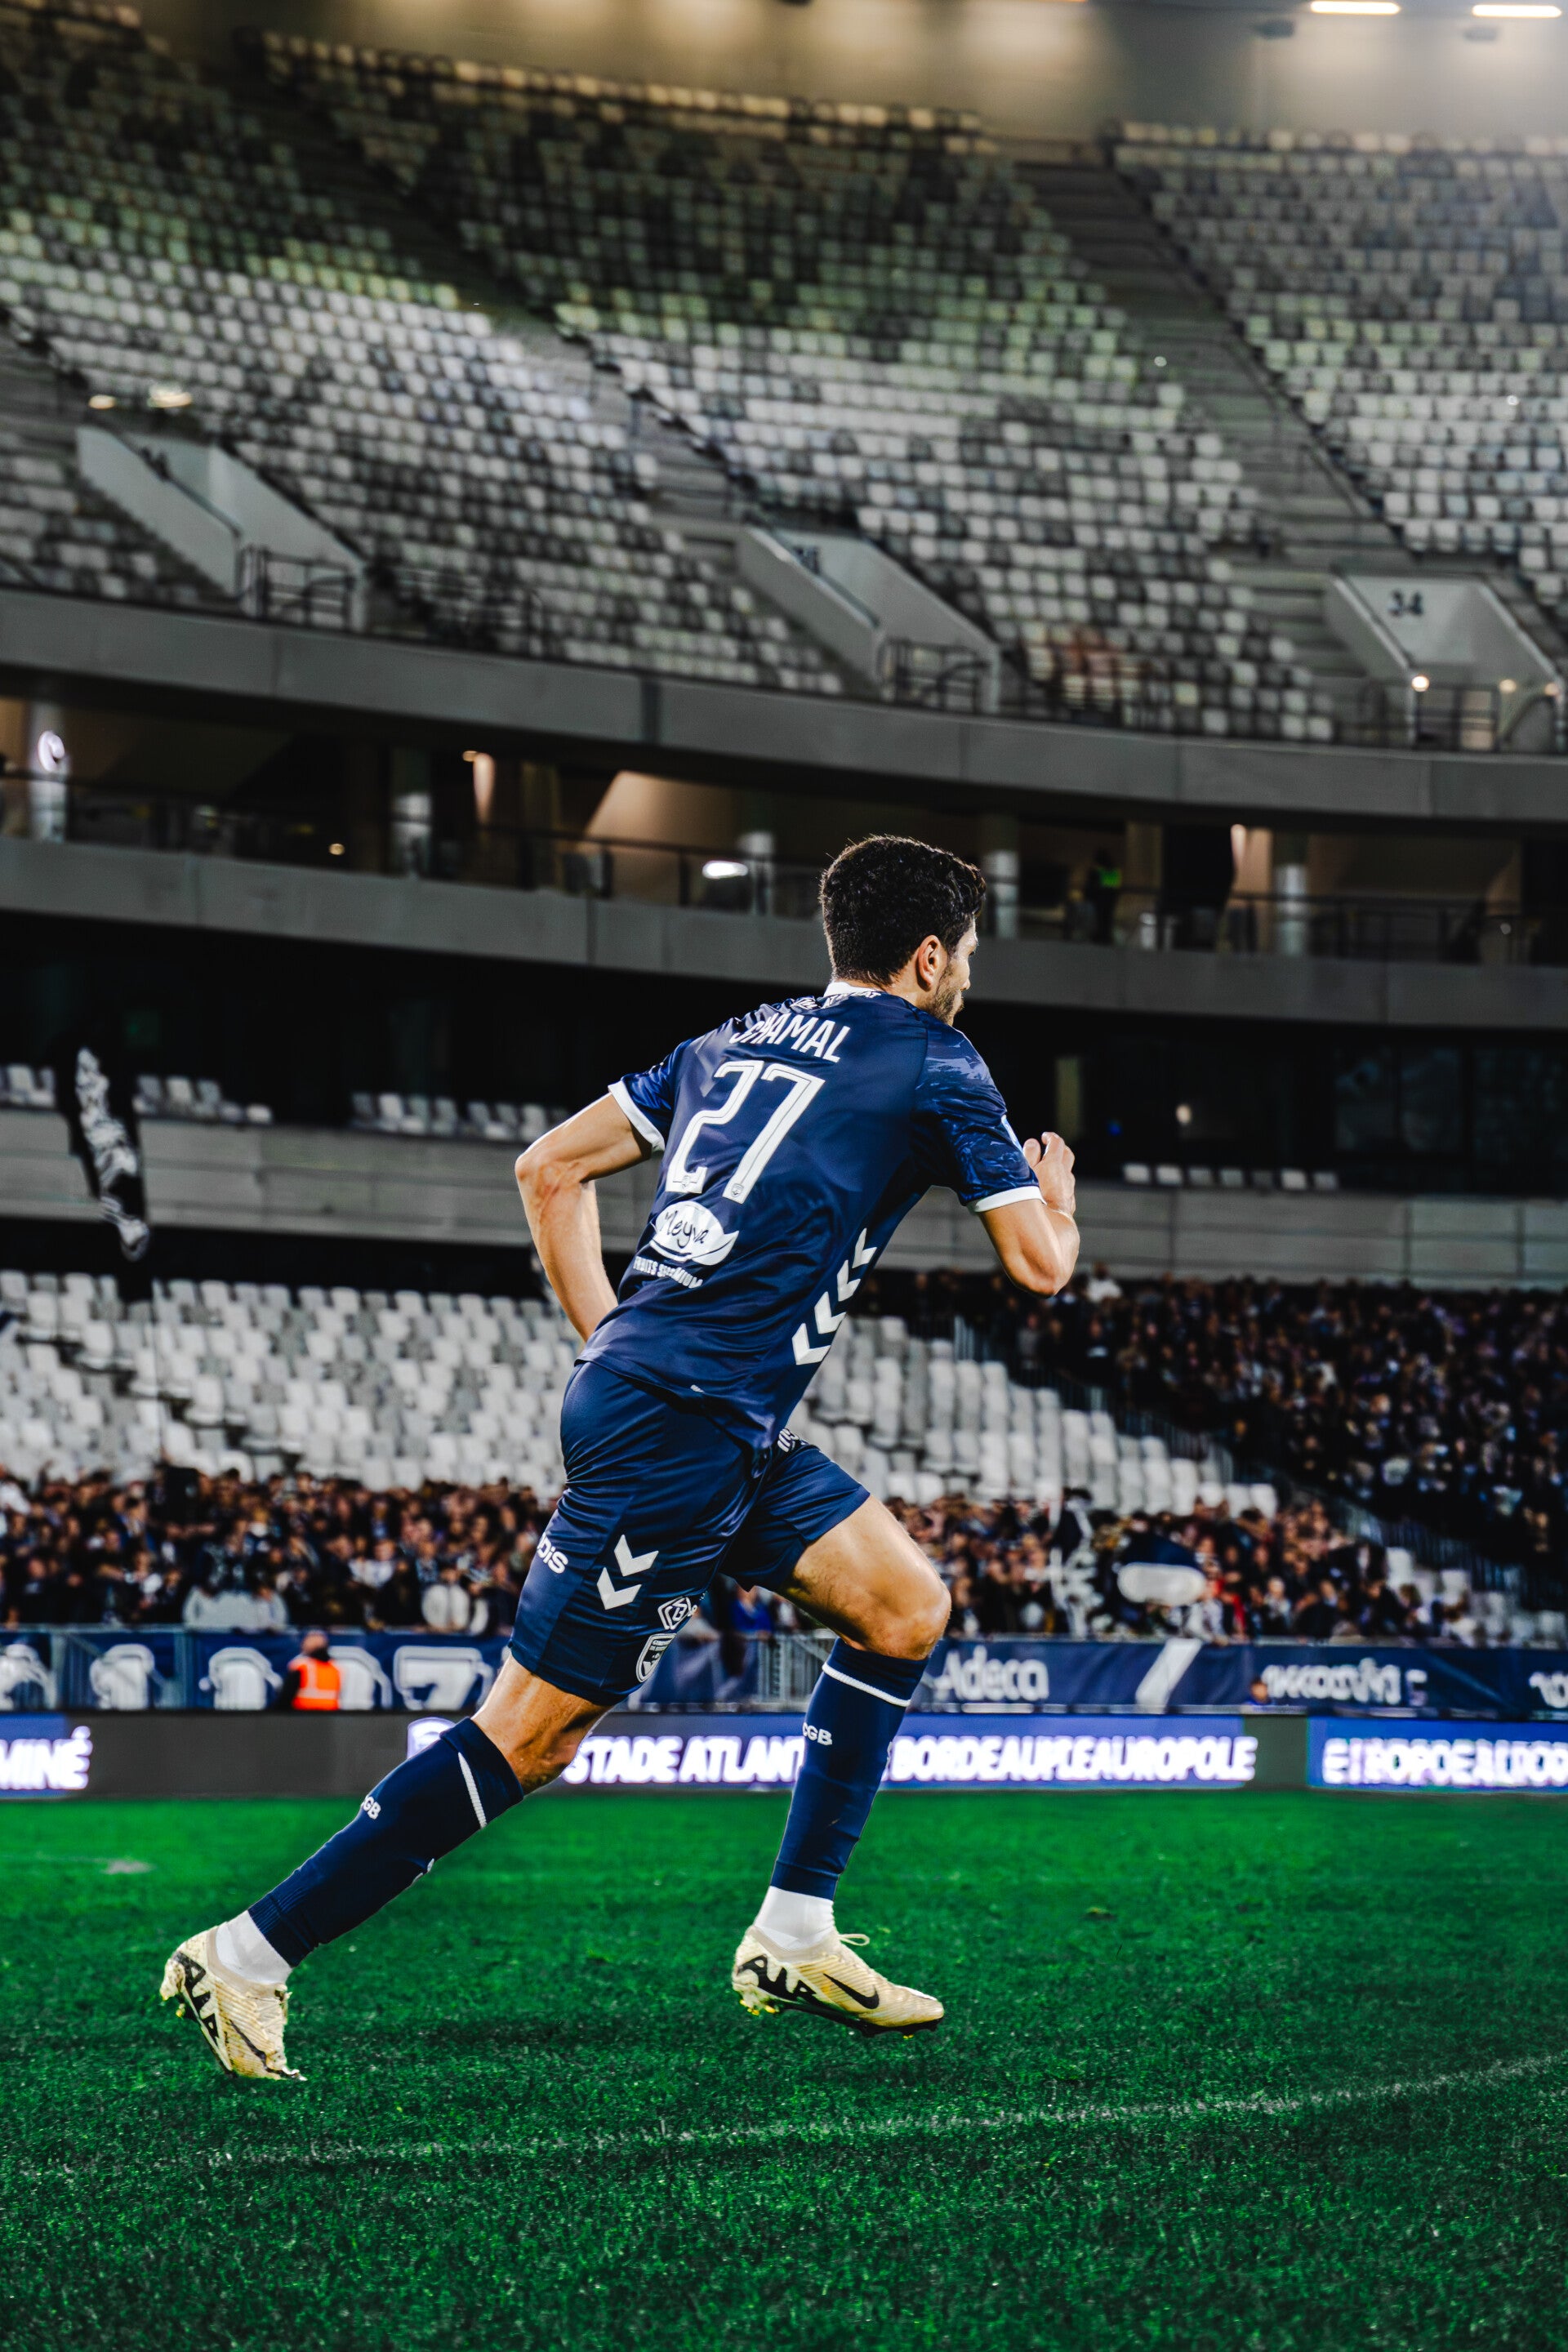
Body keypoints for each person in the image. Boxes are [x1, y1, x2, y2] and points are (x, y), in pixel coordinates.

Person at [160, 833, 1080, 2079]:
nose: (967, 974)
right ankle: (249, 1953)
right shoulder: (939, 1060)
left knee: (904, 1606)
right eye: (964, 953)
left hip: (706, 1416)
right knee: (531, 1736)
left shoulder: (728, 1042)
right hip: (680, 1428)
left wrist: (613, 1340)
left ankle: (793, 1934)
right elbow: (1038, 1267)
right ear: (928, 956)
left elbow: (549, 1168)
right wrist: (1058, 1202)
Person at [278, 1628, 341, 1713]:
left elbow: (286, 1698)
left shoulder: (301, 1666)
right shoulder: (336, 1668)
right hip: (329, 1717)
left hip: (302, 1715)